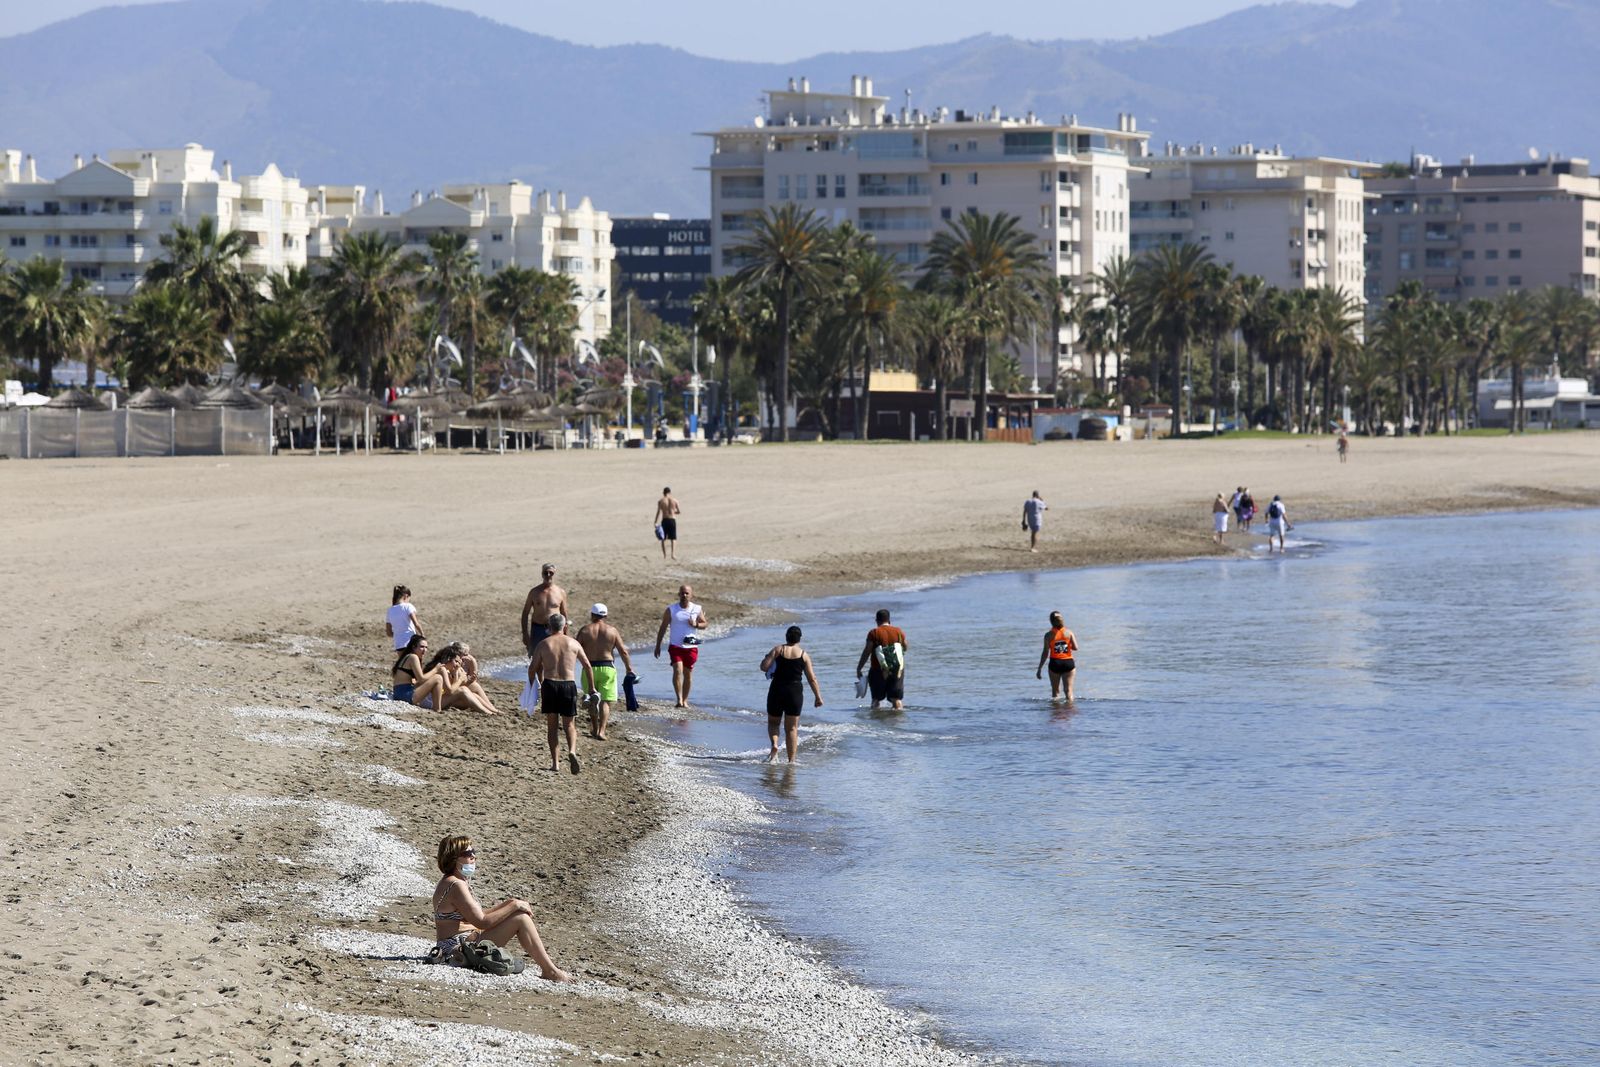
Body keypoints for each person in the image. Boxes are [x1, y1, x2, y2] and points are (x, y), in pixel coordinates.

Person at [430, 834, 570, 982]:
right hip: (457, 951)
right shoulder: (455, 885)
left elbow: (477, 916)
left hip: (462, 945)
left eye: (474, 852)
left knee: (516, 912)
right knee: (521, 919)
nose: (473, 857)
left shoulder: (453, 882)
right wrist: (514, 906)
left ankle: (548, 969)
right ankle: (551, 971)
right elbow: (482, 922)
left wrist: (510, 903)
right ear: (454, 858)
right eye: (467, 854)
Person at [530, 614, 593, 774]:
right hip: (568, 685)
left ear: (549, 628)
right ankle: (572, 750)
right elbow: (587, 666)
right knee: (570, 724)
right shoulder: (573, 643)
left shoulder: (544, 644)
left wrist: (534, 685)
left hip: (550, 684)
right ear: (565, 627)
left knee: (552, 726)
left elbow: (533, 668)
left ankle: (555, 763)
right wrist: (591, 688)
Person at [760, 625, 823, 764]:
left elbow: (763, 667)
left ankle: (775, 745)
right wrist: (818, 697)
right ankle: (791, 761)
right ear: (799, 639)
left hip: (777, 689)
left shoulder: (778, 650)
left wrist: (768, 658)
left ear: (786, 636)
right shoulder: (804, 655)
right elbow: (812, 678)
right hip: (794, 692)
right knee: (792, 728)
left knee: (773, 723)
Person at [575, 603, 634, 740]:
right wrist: (629, 669)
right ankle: (602, 731)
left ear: (592, 615)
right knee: (605, 702)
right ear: (605, 615)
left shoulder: (584, 630)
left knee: (592, 698)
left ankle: (594, 728)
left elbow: (575, 649)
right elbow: (623, 651)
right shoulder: (612, 631)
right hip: (607, 668)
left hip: (589, 668)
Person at [654, 584, 708, 708]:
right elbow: (663, 627)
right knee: (677, 670)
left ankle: (685, 700)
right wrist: (658, 645)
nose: (684, 595)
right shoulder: (671, 609)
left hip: (691, 647)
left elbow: (705, 624)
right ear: (679, 594)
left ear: (691, 595)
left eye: (687, 593)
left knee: (688, 674)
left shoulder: (696, 608)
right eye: (682, 593)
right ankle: (679, 699)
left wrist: (696, 625)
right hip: (675, 646)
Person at [855, 608, 907, 712]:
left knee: (876, 700)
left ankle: (876, 724)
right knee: (896, 699)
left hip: (878, 670)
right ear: (889, 620)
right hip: (897, 669)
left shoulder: (874, 633)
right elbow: (905, 647)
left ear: (877, 621)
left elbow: (867, 651)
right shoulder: (898, 631)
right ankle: (898, 722)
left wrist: (859, 667)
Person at [520, 563, 568, 655]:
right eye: (546, 573)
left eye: (551, 573)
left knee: (555, 655)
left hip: (555, 629)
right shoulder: (534, 592)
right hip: (538, 628)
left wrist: (566, 633)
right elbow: (525, 613)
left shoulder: (560, 592)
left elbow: (564, 613)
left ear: (554, 574)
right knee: (537, 656)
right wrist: (525, 634)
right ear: (542, 574)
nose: (548, 575)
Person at [1035, 610, 1079, 701]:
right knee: (1068, 691)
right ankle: (1070, 711)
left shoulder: (1048, 635)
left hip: (1055, 664)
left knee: (1055, 692)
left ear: (1051, 621)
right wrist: (1066, 645)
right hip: (1068, 663)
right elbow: (1075, 648)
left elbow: (1045, 653)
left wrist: (1039, 668)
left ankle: (1056, 713)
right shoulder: (1069, 632)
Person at [447, 641, 502, 715]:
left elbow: (461, 682)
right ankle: (489, 711)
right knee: (474, 688)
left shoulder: (467, 661)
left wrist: (470, 680)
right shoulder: (451, 665)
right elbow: (453, 686)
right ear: (457, 654)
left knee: (475, 689)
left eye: (467, 654)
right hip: (450, 695)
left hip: (457, 689)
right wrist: (465, 680)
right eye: (465, 654)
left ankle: (492, 710)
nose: (467, 656)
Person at [386, 584, 424, 651]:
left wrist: (398, 635)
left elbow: (389, 633)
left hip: (398, 644)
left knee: (404, 661)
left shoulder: (390, 610)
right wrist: (422, 635)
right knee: (415, 660)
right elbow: (416, 624)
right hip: (410, 642)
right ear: (406, 596)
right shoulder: (408, 606)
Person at [654, 487, 681, 560]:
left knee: (663, 538)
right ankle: (673, 554)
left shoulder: (661, 501)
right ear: (670, 493)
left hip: (665, 520)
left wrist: (655, 521)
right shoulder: (675, 500)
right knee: (673, 538)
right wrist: (673, 512)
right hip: (672, 520)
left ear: (663, 493)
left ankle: (665, 555)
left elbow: (658, 512)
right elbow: (679, 511)